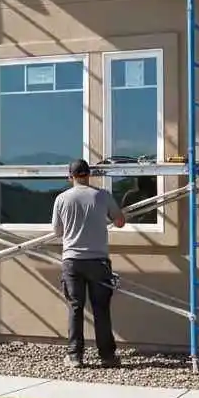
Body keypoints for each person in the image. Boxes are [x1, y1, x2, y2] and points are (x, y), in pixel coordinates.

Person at [51, 158, 126, 368]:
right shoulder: (102, 196)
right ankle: (107, 356)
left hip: (72, 261)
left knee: (75, 308)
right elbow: (120, 222)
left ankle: (75, 356)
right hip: (98, 262)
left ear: (70, 177)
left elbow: (57, 231)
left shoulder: (62, 199)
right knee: (101, 309)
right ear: (89, 175)